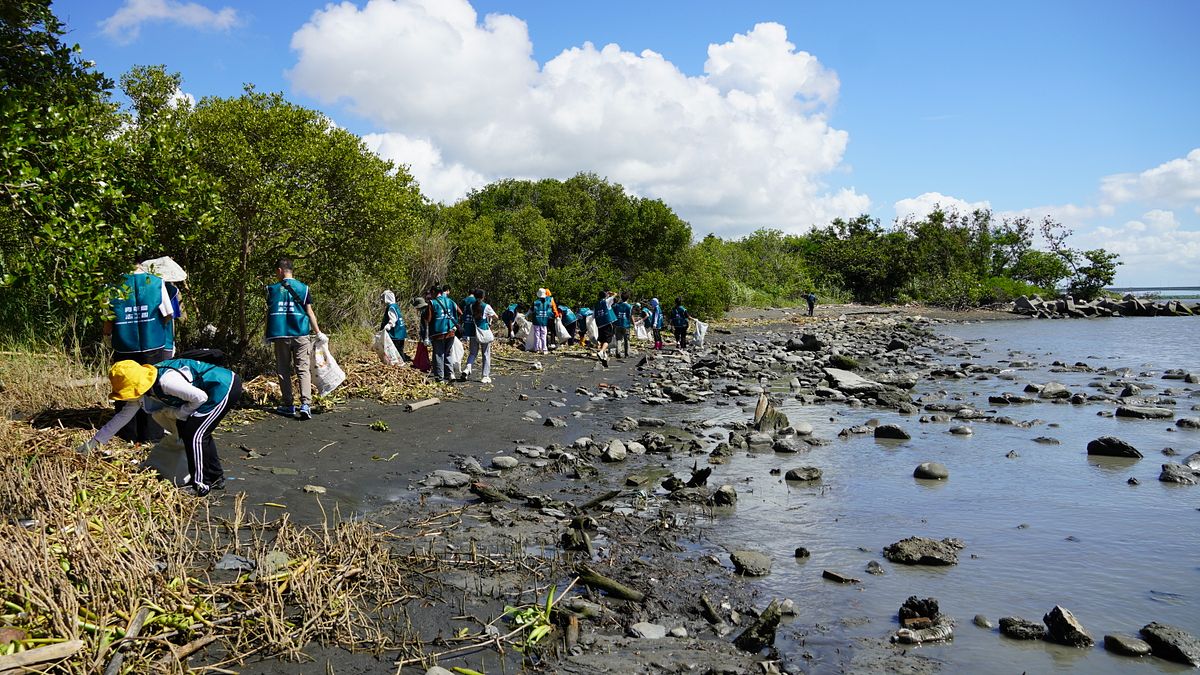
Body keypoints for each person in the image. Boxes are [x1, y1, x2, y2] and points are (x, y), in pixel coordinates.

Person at [77, 358, 242, 497]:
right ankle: (216, 478)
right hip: (209, 392)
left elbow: (200, 397)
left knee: (195, 434)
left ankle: (200, 486)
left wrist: (177, 413)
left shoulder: (166, 381)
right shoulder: (144, 389)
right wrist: (94, 442)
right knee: (198, 432)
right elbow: (122, 417)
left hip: (222, 387)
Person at [104, 265, 174, 442]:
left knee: (126, 387)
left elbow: (107, 319)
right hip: (153, 344)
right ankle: (152, 434)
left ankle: (128, 433)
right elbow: (168, 313)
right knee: (152, 389)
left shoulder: (112, 285)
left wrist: (107, 337)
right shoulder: (156, 281)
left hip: (124, 345)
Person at [266, 258, 324, 420]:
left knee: (283, 370)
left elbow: (269, 314)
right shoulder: (304, 288)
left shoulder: (272, 289)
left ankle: (288, 405)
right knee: (303, 369)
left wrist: (267, 334)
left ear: (279, 271)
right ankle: (306, 404)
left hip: (280, 334)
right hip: (301, 333)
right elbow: (310, 312)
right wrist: (318, 332)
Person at [424, 283, 460, 381]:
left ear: (433, 293)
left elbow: (428, 318)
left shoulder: (432, 303)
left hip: (438, 333)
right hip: (451, 331)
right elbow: (460, 313)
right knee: (448, 353)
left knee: (439, 354)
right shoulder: (451, 301)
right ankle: (450, 374)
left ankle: (440, 377)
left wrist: (426, 335)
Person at [463, 288, 498, 384]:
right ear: (483, 297)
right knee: (486, 354)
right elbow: (496, 317)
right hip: (484, 332)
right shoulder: (486, 306)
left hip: (474, 333)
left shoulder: (470, 306)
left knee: (473, 353)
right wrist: (489, 318)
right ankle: (485, 376)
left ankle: (467, 368)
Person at [380, 290, 408, 363]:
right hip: (401, 332)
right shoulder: (395, 306)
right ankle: (402, 363)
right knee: (400, 349)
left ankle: (399, 364)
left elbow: (393, 319)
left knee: (396, 350)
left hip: (396, 332)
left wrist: (387, 327)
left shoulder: (391, 307)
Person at [592, 290, 617, 365]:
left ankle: (604, 355)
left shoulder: (596, 304)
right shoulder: (606, 301)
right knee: (607, 339)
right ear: (605, 296)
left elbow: (593, 316)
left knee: (602, 339)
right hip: (607, 322)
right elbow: (615, 294)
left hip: (599, 324)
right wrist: (610, 293)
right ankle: (601, 351)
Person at [530, 288, 552, 354]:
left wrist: (526, 315)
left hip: (536, 320)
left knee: (537, 334)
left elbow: (531, 310)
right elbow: (550, 312)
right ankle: (544, 349)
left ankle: (537, 349)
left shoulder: (535, 302)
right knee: (543, 335)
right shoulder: (548, 303)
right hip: (544, 321)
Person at [612, 291, 633, 358]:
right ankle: (627, 353)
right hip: (626, 325)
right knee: (626, 339)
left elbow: (613, 314)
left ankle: (618, 352)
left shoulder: (616, 305)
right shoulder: (629, 306)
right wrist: (634, 323)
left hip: (617, 324)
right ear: (628, 298)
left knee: (618, 339)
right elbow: (630, 316)